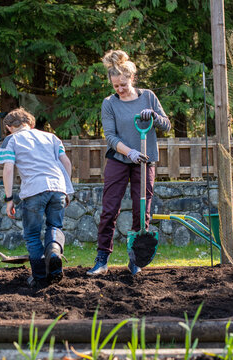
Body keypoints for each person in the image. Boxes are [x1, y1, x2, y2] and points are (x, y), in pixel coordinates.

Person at [87, 49, 172, 276]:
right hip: (119, 160)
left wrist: (154, 116)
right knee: (109, 209)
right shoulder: (109, 103)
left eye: (123, 84)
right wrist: (130, 152)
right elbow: (111, 137)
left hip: (146, 162)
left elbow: (167, 125)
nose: (120, 89)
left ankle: (135, 259)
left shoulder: (148, 97)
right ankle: (102, 259)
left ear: (132, 78)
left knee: (141, 210)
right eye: (116, 86)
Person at [0, 107, 73, 288]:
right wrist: (66, 189)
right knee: (54, 226)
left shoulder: (11, 140)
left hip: (33, 190)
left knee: (31, 235)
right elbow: (66, 163)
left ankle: (39, 276)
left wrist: (9, 199)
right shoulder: (52, 137)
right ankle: (54, 255)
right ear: (31, 123)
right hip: (58, 188)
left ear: (8, 127)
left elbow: (8, 169)